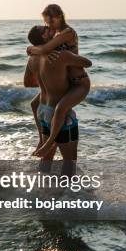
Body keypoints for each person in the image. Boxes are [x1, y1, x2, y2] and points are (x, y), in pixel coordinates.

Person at [24, 25, 92, 174]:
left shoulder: (33, 58)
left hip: (43, 110)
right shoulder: (61, 54)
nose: (49, 27)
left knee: (46, 160)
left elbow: (28, 83)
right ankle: (68, 196)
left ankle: (41, 191)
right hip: (60, 116)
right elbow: (87, 63)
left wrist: (48, 81)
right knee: (69, 161)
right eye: (45, 29)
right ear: (44, 37)